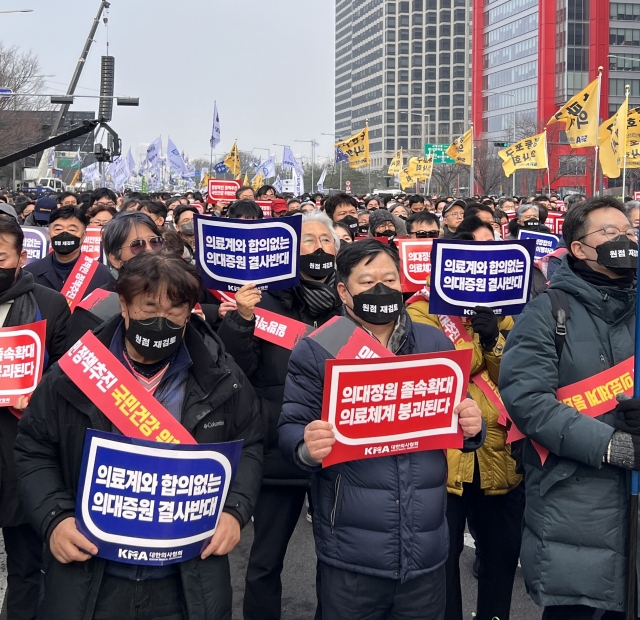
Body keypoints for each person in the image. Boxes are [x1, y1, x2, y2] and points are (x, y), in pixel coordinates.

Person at [14, 251, 263, 620]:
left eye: (174, 311)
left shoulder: (223, 377)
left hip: (186, 576)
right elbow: (34, 449)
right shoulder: (74, 375)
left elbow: (251, 445)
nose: (160, 321)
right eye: (148, 308)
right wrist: (54, 518)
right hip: (92, 573)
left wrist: (234, 510)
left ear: (191, 311)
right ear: (125, 305)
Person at [278, 239, 484, 620]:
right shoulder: (319, 346)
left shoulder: (434, 342)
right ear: (344, 290)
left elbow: (459, 418)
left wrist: (472, 427)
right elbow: (291, 426)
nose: (380, 289)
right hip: (351, 550)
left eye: (389, 278)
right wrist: (306, 446)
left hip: (426, 544)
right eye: (367, 280)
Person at [500, 196, 640, 620]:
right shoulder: (547, 311)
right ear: (579, 248)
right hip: (574, 503)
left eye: (629, 233)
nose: (625, 241)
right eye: (610, 233)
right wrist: (610, 444)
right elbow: (528, 400)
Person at [217, 211, 342, 620]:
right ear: (290, 249)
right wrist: (241, 320)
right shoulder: (264, 301)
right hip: (279, 448)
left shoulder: (351, 305)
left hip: (338, 450)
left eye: (326, 240)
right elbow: (238, 369)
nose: (318, 248)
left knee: (337, 562)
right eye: (308, 240)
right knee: (265, 560)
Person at [407, 220, 524, 620]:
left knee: (502, 554)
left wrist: (493, 337)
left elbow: (515, 375)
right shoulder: (420, 310)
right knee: (444, 559)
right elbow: (445, 369)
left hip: (498, 449)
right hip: (446, 455)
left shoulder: (503, 311)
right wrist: (476, 334)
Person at [0, 216, 70, 620]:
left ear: (21, 258)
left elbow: (69, 378)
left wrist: (38, 393)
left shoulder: (49, 304)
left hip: (22, 453)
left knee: (27, 565)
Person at [23, 206, 113, 295]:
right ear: (49, 234)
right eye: (58, 229)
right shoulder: (30, 273)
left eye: (72, 230)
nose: (64, 234)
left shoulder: (102, 274)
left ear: (84, 235)